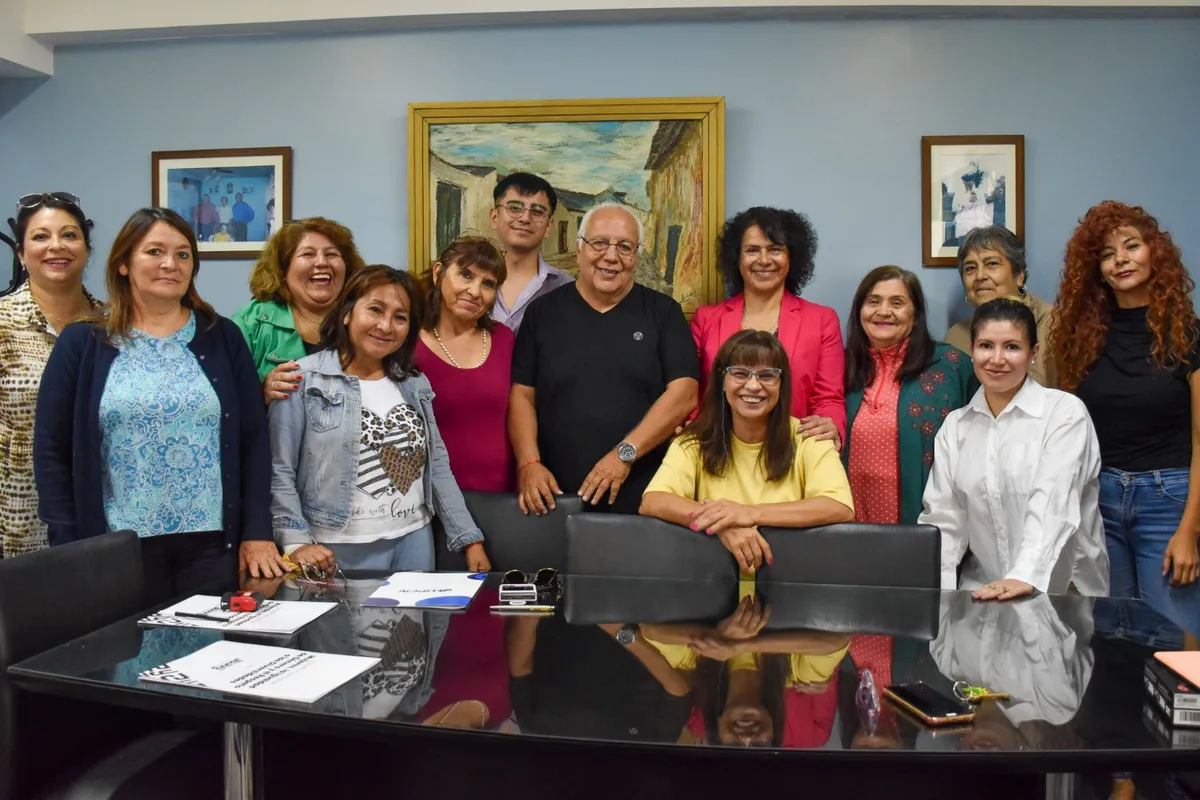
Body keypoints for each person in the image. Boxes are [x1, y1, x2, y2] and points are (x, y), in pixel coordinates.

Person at [33, 207, 286, 603]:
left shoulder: (223, 337)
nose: (171, 264)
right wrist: (66, 544)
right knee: (122, 644)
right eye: (154, 251)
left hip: (211, 546)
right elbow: (51, 451)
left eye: (183, 254)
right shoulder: (83, 343)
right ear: (123, 264)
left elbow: (253, 441)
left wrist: (256, 531)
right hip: (116, 546)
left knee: (208, 642)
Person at [268, 265, 491, 573]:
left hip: (414, 541)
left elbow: (437, 465)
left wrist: (469, 538)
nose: (386, 326)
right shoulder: (301, 380)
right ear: (347, 313)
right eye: (375, 309)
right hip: (334, 549)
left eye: (400, 317)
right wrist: (296, 542)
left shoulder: (414, 383)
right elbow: (279, 469)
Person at [1051, 201, 1200, 648]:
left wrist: (1190, 531)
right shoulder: (1081, 339)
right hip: (1100, 498)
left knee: (1168, 636)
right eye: (1107, 254)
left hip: (1169, 499)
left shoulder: (1189, 335)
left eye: (1131, 246)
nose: (1121, 260)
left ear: (1156, 253)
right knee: (1109, 632)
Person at [510, 202, 698, 516]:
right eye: (599, 243)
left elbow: (684, 393)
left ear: (636, 256)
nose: (611, 256)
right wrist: (528, 463)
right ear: (579, 250)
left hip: (644, 494)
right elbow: (522, 395)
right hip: (554, 494)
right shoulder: (542, 313)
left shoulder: (663, 312)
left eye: (625, 247)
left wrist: (624, 455)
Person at [919, 298, 1109, 601]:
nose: (997, 359)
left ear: (1033, 353)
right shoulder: (956, 426)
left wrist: (1023, 575)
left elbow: (1052, 502)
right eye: (986, 346)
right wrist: (937, 597)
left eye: (1011, 347)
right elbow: (945, 520)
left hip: (1061, 588)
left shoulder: (1064, 414)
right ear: (972, 349)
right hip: (983, 588)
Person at [640, 330, 856, 573]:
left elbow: (839, 507)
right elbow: (653, 500)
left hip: (791, 579)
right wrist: (721, 524)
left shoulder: (810, 438)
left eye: (767, 375)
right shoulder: (693, 442)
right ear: (722, 380)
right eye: (740, 374)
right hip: (712, 580)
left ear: (782, 384)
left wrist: (748, 513)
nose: (753, 385)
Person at [690, 207, 846, 447]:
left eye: (775, 249)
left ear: (792, 256)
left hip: (794, 450)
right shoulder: (706, 319)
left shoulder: (822, 320)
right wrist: (692, 433)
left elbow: (828, 399)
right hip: (718, 451)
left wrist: (830, 424)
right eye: (752, 250)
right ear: (737, 258)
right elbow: (693, 396)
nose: (764, 260)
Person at [0, 193, 101, 558]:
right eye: (41, 236)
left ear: (86, 250)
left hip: (100, 515)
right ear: (20, 253)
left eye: (69, 235)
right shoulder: (3, 324)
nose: (56, 246)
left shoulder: (115, 327)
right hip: (16, 523)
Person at [842, 266, 976, 526]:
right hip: (849, 525)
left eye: (897, 303)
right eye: (873, 301)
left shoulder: (951, 365)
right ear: (859, 311)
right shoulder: (839, 365)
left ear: (915, 315)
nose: (883, 311)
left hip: (927, 524)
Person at [640, 591, 851, 748]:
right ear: (774, 732)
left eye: (735, 745)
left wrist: (716, 636)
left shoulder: (693, 666)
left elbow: (651, 630)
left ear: (717, 730)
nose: (747, 738)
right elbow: (838, 640)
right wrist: (743, 646)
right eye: (760, 745)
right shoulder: (799, 676)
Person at [415, 236, 515, 493]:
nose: (475, 291)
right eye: (466, 275)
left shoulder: (504, 339)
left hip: (500, 496)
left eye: (488, 284)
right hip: (427, 496)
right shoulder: (407, 342)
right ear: (438, 273)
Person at [232, 217, 367, 402]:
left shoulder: (367, 317)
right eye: (308, 254)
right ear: (283, 270)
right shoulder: (251, 322)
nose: (322, 262)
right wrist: (260, 392)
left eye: (331, 254)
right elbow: (222, 396)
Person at [944, 225, 1057, 387]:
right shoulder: (956, 337)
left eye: (992, 264)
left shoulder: (1056, 325)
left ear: (1019, 275)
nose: (980, 276)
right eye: (970, 268)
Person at [488, 172, 572, 334]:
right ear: (494, 217)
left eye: (538, 211)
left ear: (548, 226)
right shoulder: (468, 280)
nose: (525, 218)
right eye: (514, 208)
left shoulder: (565, 288)